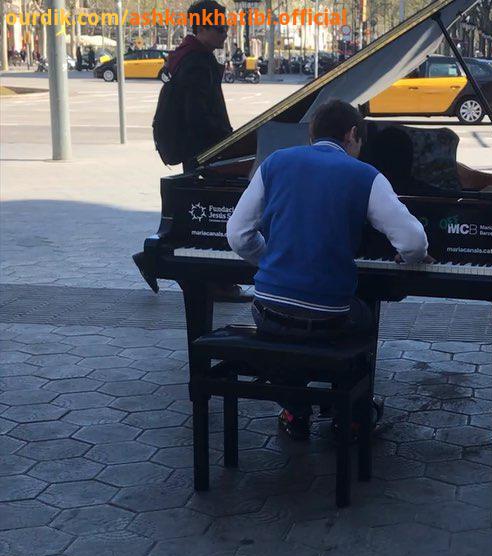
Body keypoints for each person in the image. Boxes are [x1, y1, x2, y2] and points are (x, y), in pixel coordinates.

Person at [226, 100, 430, 440]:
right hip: (328, 318)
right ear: (352, 134)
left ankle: (295, 408)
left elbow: (237, 234)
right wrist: (410, 258)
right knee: (364, 316)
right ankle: (350, 412)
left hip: (265, 310)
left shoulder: (275, 162)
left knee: (283, 331)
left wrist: (273, 260)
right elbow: (412, 240)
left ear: (311, 134)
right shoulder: (364, 175)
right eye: (360, 143)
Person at [134, 0, 247, 301]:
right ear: (202, 27)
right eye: (220, 27)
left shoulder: (187, 55)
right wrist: (230, 140)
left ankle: (203, 278)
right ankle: (206, 280)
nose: (226, 33)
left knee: (198, 216)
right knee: (208, 218)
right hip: (204, 152)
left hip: (195, 150)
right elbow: (198, 116)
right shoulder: (197, 61)